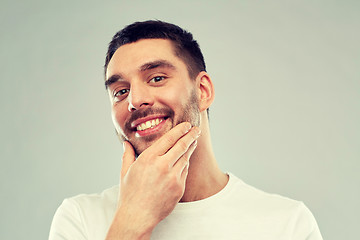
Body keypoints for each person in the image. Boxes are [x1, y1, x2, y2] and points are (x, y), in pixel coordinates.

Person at [49, 20, 323, 240]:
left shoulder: (287, 223)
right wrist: (132, 220)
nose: (134, 100)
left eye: (156, 78)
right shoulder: (80, 219)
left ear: (202, 91)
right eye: (120, 91)